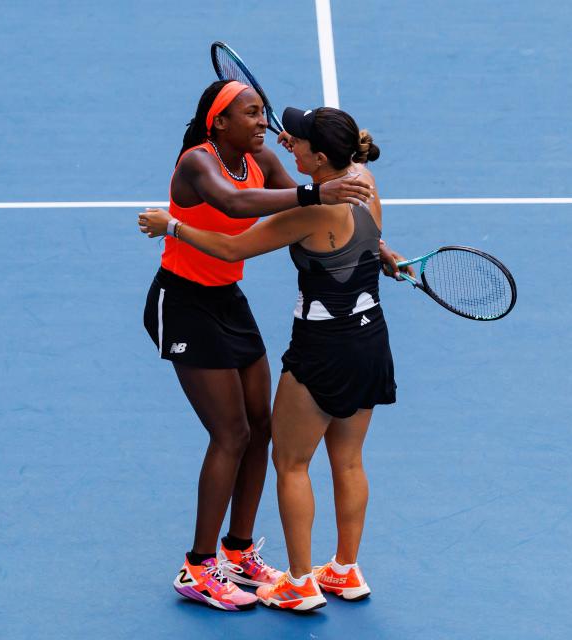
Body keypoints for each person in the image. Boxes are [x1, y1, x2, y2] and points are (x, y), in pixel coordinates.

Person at [140, 105, 410, 612]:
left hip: (321, 351)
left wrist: (170, 226)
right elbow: (369, 242)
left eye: (299, 139)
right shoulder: (365, 180)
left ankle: (300, 582)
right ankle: (346, 571)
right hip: (372, 341)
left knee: (290, 463)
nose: (287, 139)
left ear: (320, 155)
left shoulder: (306, 214)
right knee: (349, 461)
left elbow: (226, 246)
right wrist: (384, 253)